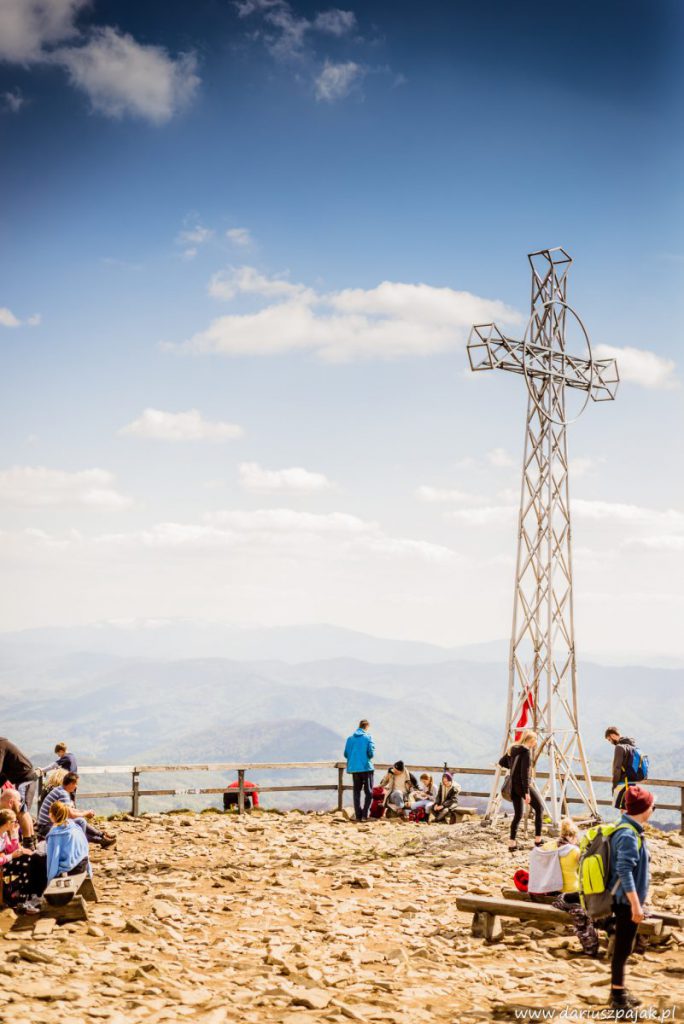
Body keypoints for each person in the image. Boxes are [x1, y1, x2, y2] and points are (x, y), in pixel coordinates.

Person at [606, 785, 654, 1012]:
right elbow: (624, 871)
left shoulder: (628, 828)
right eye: (651, 805)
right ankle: (618, 999)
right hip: (626, 903)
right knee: (623, 949)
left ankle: (619, 989)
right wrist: (636, 904)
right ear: (643, 808)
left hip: (627, 901)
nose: (653, 808)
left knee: (625, 948)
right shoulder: (627, 834)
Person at [535, 818, 599, 956]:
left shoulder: (549, 846)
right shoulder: (575, 851)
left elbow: (536, 855)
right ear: (574, 836)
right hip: (569, 891)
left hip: (552, 889)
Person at [37, 772, 115, 848]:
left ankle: (101, 837)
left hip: (46, 824)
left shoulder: (60, 790)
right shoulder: (63, 794)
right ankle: (95, 840)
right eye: (76, 784)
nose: (76, 786)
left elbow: (69, 810)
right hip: (46, 826)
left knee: (79, 821)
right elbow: (71, 815)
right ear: (71, 784)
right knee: (79, 823)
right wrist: (86, 813)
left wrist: (83, 812)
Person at [498, 730, 544, 851]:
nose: (536, 742)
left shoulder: (513, 748)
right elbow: (525, 775)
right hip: (522, 787)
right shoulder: (526, 752)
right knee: (540, 808)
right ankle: (538, 840)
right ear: (530, 740)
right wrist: (526, 793)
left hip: (513, 787)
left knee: (518, 814)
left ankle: (512, 843)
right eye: (535, 739)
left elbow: (501, 762)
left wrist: (513, 767)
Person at [0, 737, 39, 845]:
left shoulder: (0, 745)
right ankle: (31, 841)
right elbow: (3, 774)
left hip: (24, 778)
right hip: (25, 778)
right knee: (24, 811)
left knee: (20, 811)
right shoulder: (4, 744)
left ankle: (28, 843)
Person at [45, 801, 91, 882]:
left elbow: (53, 860)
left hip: (72, 868)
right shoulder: (74, 826)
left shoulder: (55, 835)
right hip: (83, 862)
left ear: (51, 815)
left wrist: (50, 879)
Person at [343, 720, 375, 821]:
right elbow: (371, 753)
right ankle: (365, 815)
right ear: (367, 727)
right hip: (366, 768)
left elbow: (346, 754)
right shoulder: (368, 737)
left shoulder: (350, 739)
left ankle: (358, 815)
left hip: (354, 769)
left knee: (356, 792)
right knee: (369, 792)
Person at [605, 727, 643, 811]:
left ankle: (625, 824)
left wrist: (614, 785)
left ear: (612, 735)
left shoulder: (619, 747)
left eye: (609, 739)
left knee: (624, 809)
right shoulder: (632, 746)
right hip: (632, 782)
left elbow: (617, 768)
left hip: (623, 783)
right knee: (630, 808)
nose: (610, 742)